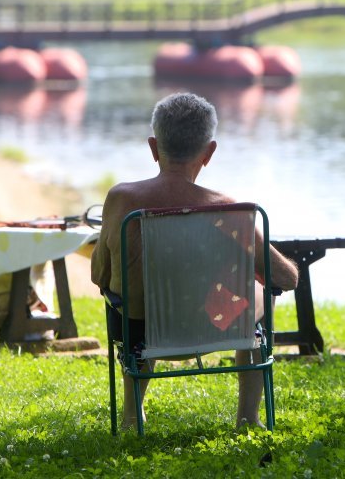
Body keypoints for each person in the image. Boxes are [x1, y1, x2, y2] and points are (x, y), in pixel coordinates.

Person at [91, 91, 299, 429]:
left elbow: (100, 273)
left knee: (133, 302)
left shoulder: (121, 200)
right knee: (259, 295)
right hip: (216, 328)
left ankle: (133, 416)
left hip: (140, 336)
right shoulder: (230, 210)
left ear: (154, 147)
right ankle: (248, 417)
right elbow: (286, 278)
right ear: (209, 153)